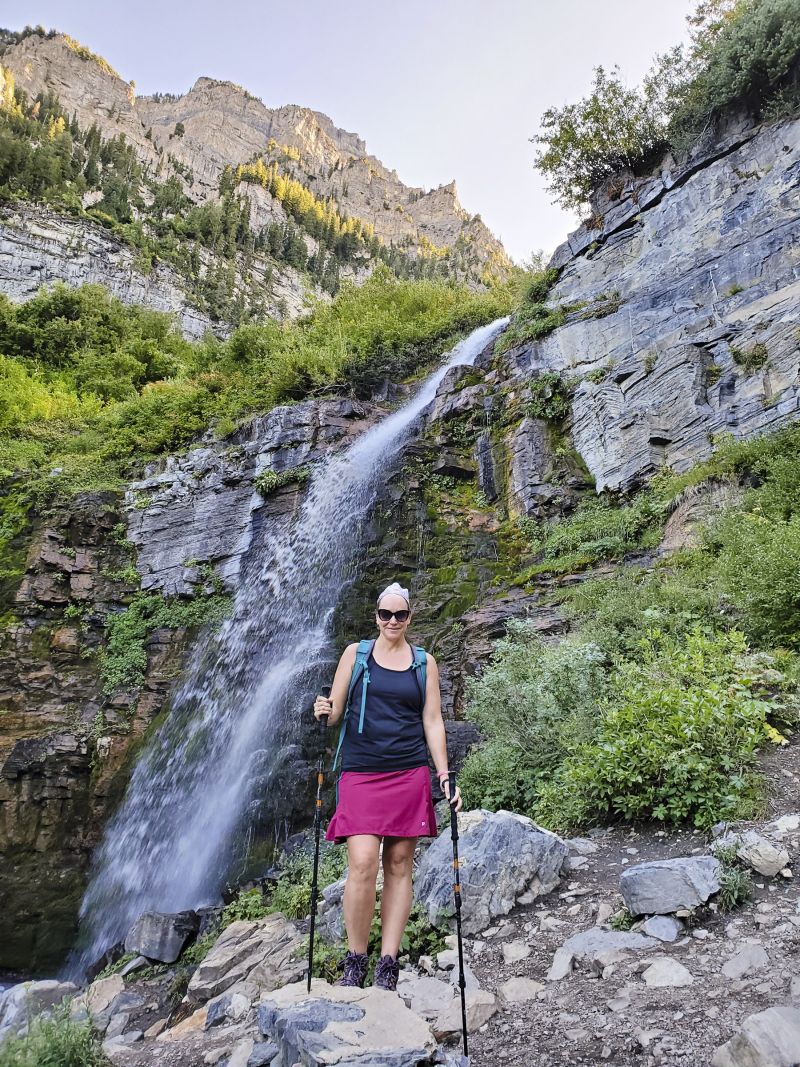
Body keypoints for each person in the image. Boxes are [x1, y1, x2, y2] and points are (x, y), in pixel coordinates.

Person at [313, 581, 462, 992]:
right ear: (376, 617)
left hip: (408, 773)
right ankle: (355, 961)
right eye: (385, 614)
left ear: (410, 618)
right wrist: (322, 708)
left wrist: (444, 774)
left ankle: (388, 965)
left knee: (398, 865)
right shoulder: (356, 654)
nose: (392, 621)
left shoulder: (423, 663)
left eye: (400, 615)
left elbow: (432, 720)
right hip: (361, 770)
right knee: (362, 862)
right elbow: (336, 711)